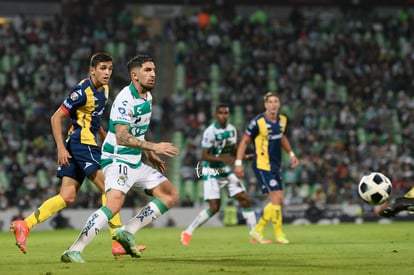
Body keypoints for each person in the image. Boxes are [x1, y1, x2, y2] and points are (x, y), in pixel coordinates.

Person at [10, 52, 141, 257]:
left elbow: (93, 116)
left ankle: (25, 225)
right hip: (82, 143)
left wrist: (104, 134)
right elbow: (56, 118)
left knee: (67, 196)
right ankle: (117, 240)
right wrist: (60, 148)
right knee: (110, 187)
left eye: (110, 69)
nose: (107, 73)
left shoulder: (104, 90)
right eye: (103, 68)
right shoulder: (81, 91)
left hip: (83, 143)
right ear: (92, 70)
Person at [61, 54, 179, 263]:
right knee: (114, 204)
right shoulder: (125, 99)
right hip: (117, 159)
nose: (153, 75)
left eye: (154, 70)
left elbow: (138, 131)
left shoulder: (148, 97)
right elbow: (123, 137)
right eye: (147, 70)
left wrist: (149, 154)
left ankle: (127, 231)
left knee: (169, 195)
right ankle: (74, 250)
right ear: (134, 75)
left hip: (135, 160)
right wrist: (155, 146)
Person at [180, 104, 259, 245]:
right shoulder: (210, 132)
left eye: (226, 113)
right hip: (211, 170)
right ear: (216, 115)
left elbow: (234, 151)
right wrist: (225, 159)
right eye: (221, 113)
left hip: (224, 169)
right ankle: (187, 232)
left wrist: (245, 157)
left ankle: (254, 235)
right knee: (214, 208)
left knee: (244, 198)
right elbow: (204, 156)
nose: (223, 115)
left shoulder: (232, 130)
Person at [234, 92, 299, 244]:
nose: (273, 104)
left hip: (276, 165)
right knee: (276, 198)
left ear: (279, 104)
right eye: (270, 102)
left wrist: (291, 153)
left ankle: (257, 231)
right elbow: (244, 142)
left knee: (279, 199)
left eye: (276, 101)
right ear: (265, 105)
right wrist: (238, 163)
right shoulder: (257, 122)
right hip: (262, 165)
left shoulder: (283, 120)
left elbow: (282, 137)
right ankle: (279, 234)